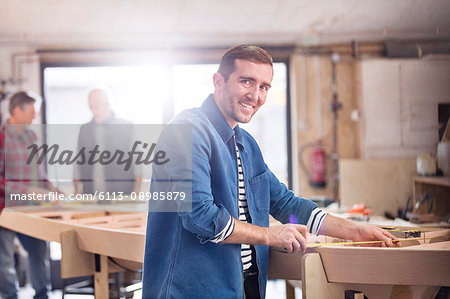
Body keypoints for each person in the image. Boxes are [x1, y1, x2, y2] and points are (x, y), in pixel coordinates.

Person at [142, 45, 397, 299]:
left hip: (244, 286)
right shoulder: (187, 131)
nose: (255, 95)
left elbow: (285, 204)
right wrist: (269, 235)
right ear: (219, 82)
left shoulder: (246, 144)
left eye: (264, 86)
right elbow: (199, 216)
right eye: (246, 81)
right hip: (190, 290)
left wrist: (354, 231)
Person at [0, 91, 56, 299]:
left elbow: (38, 173)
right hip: (4, 209)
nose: (35, 116)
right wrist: (28, 190)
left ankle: (42, 295)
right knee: (4, 262)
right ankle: (9, 296)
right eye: (32, 111)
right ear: (17, 110)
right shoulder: (1, 138)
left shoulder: (32, 136)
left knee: (39, 252)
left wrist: (50, 188)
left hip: (30, 208)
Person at [73, 88, 141, 195]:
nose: (94, 109)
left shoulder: (125, 127)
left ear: (107, 104)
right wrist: (77, 189)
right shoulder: (84, 129)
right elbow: (78, 161)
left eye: (97, 104)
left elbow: (137, 161)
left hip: (122, 193)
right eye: (91, 106)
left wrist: (136, 190)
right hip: (91, 194)